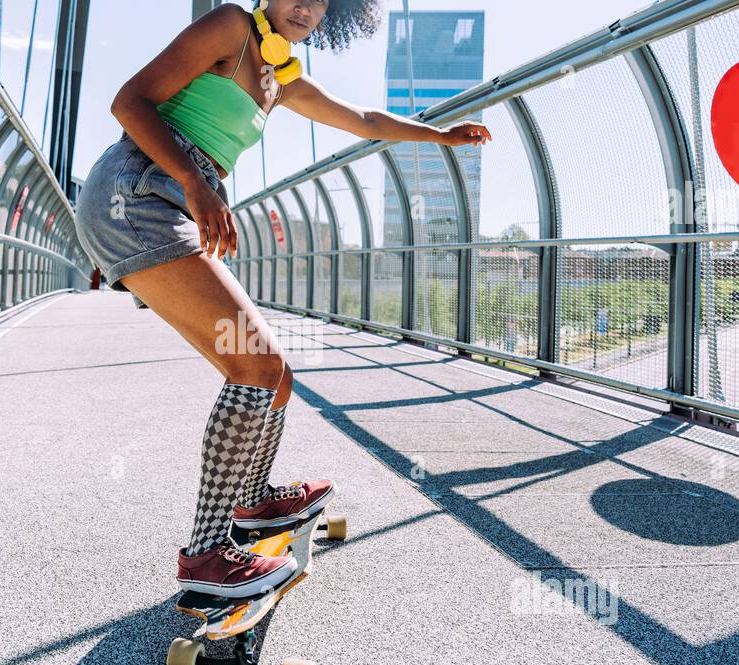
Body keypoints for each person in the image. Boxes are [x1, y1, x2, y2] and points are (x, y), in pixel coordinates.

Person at [75, 0, 490, 598]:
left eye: (322, 1)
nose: (307, 7)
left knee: (277, 377)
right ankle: (208, 553)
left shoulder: (281, 75)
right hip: (137, 190)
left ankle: (254, 502)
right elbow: (128, 101)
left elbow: (367, 119)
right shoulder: (230, 25)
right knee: (257, 365)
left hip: (172, 194)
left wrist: (441, 136)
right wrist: (195, 182)